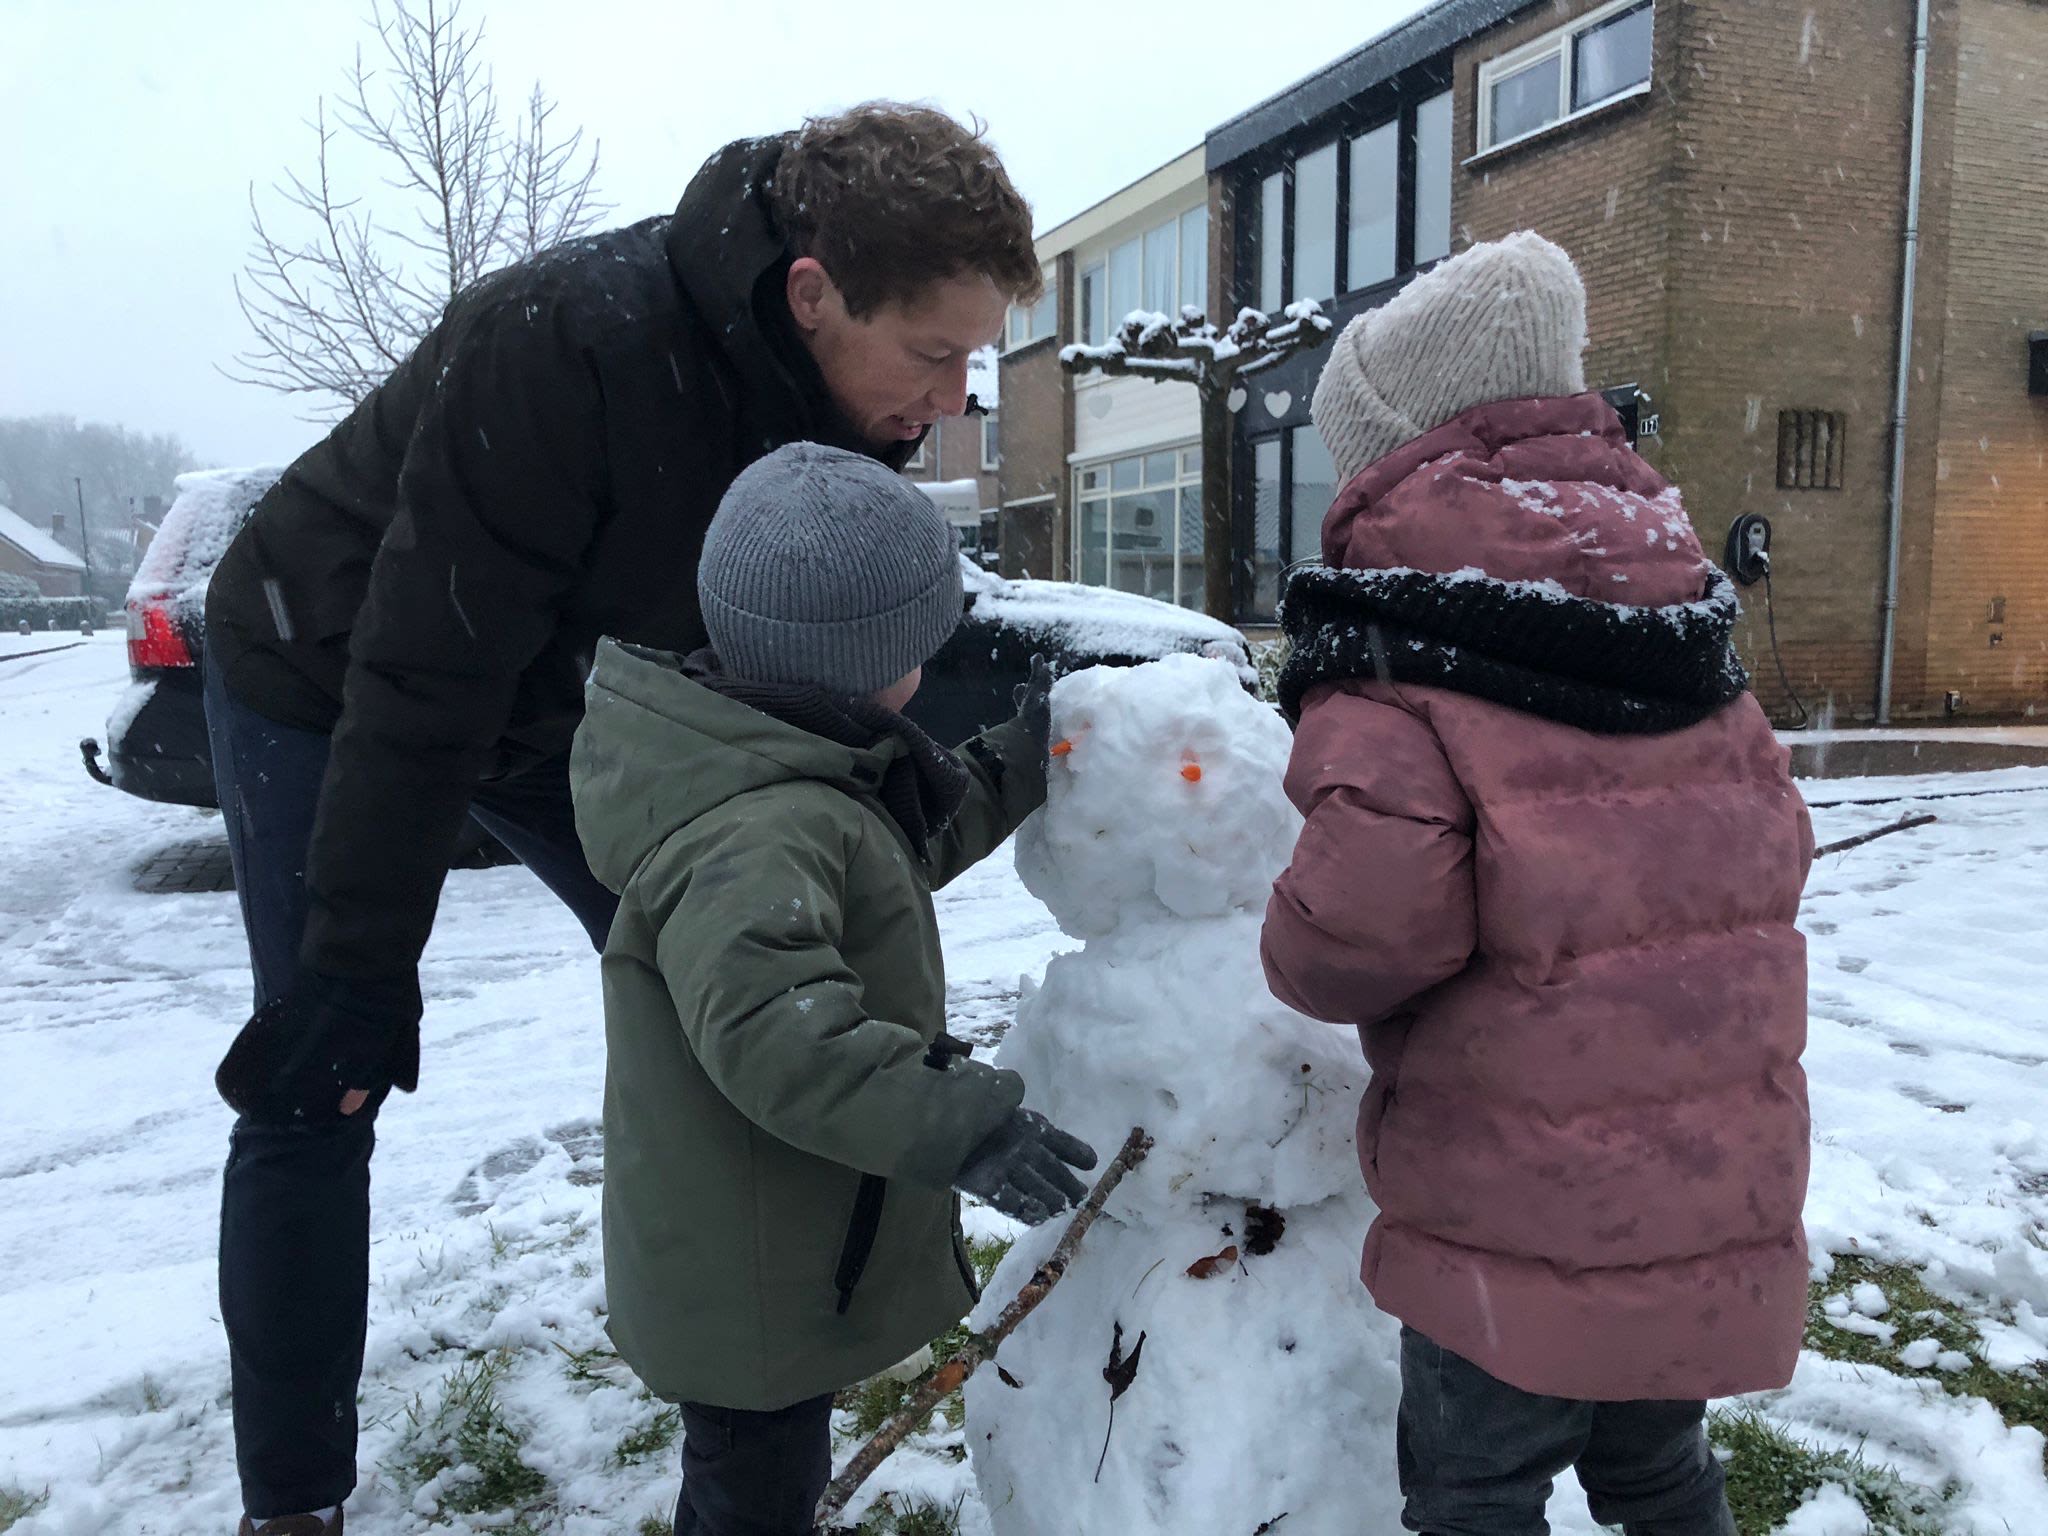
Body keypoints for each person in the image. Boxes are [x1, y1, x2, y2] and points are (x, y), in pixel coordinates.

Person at [202, 104, 1041, 1535]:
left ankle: (747, 1372)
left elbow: (845, 632)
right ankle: (294, 1501)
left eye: (975, 358)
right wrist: (357, 970)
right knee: (318, 1074)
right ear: (812, 292)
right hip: (334, 667)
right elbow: (422, 678)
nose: (957, 397)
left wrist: (1053, 726)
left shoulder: (829, 390)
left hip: (558, 689)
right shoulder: (562, 345)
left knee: (727, 984)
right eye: (934, 355)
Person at [1259, 232, 1814, 1536]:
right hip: (1696, 1183)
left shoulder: (1400, 638)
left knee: (1476, 1493)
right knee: (1656, 1472)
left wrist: (1284, 941)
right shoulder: (1680, 610)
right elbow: (1768, 845)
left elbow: (1358, 927)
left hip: (1511, 1212)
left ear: (1396, 446)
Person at [571, 441, 1095, 1534]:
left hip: (758, 1236)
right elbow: (780, 1033)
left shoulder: (778, 760)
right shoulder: (760, 823)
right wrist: (964, 1124)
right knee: (754, 1486)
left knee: (759, 1474)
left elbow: (893, 857)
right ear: (876, 657)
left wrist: (1016, 760)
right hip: (750, 1268)